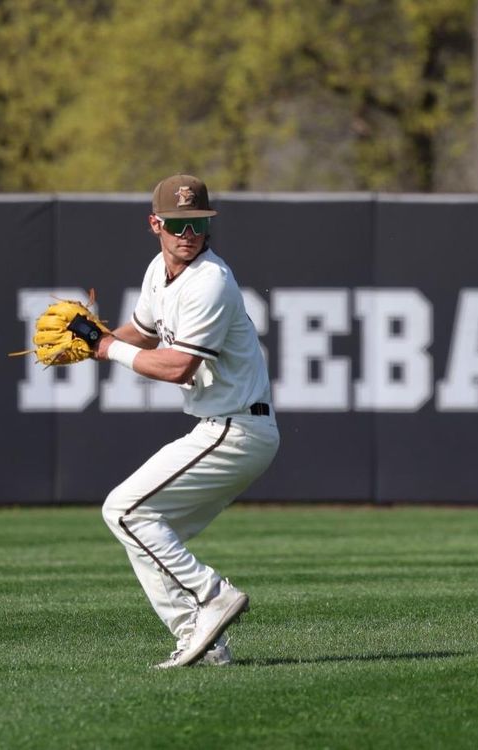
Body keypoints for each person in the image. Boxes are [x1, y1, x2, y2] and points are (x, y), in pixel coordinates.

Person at [94, 174, 280, 669]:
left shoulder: (210, 281)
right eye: (176, 222)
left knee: (124, 510)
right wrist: (95, 338)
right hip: (222, 426)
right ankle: (204, 643)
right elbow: (144, 332)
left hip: (235, 428)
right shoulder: (160, 269)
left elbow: (178, 366)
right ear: (155, 223)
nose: (187, 232)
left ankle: (212, 592)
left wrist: (106, 349)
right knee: (145, 528)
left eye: (197, 222)